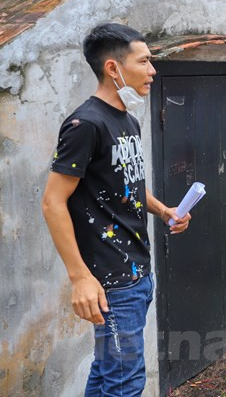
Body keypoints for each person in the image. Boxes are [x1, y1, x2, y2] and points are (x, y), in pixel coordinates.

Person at [41, 23, 192, 396]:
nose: (153, 70)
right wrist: (79, 278)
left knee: (108, 375)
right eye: (144, 61)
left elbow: (130, 185)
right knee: (124, 383)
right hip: (111, 281)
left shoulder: (127, 120)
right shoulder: (84, 124)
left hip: (138, 271)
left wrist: (164, 210)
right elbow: (52, 202)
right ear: (113, 68)